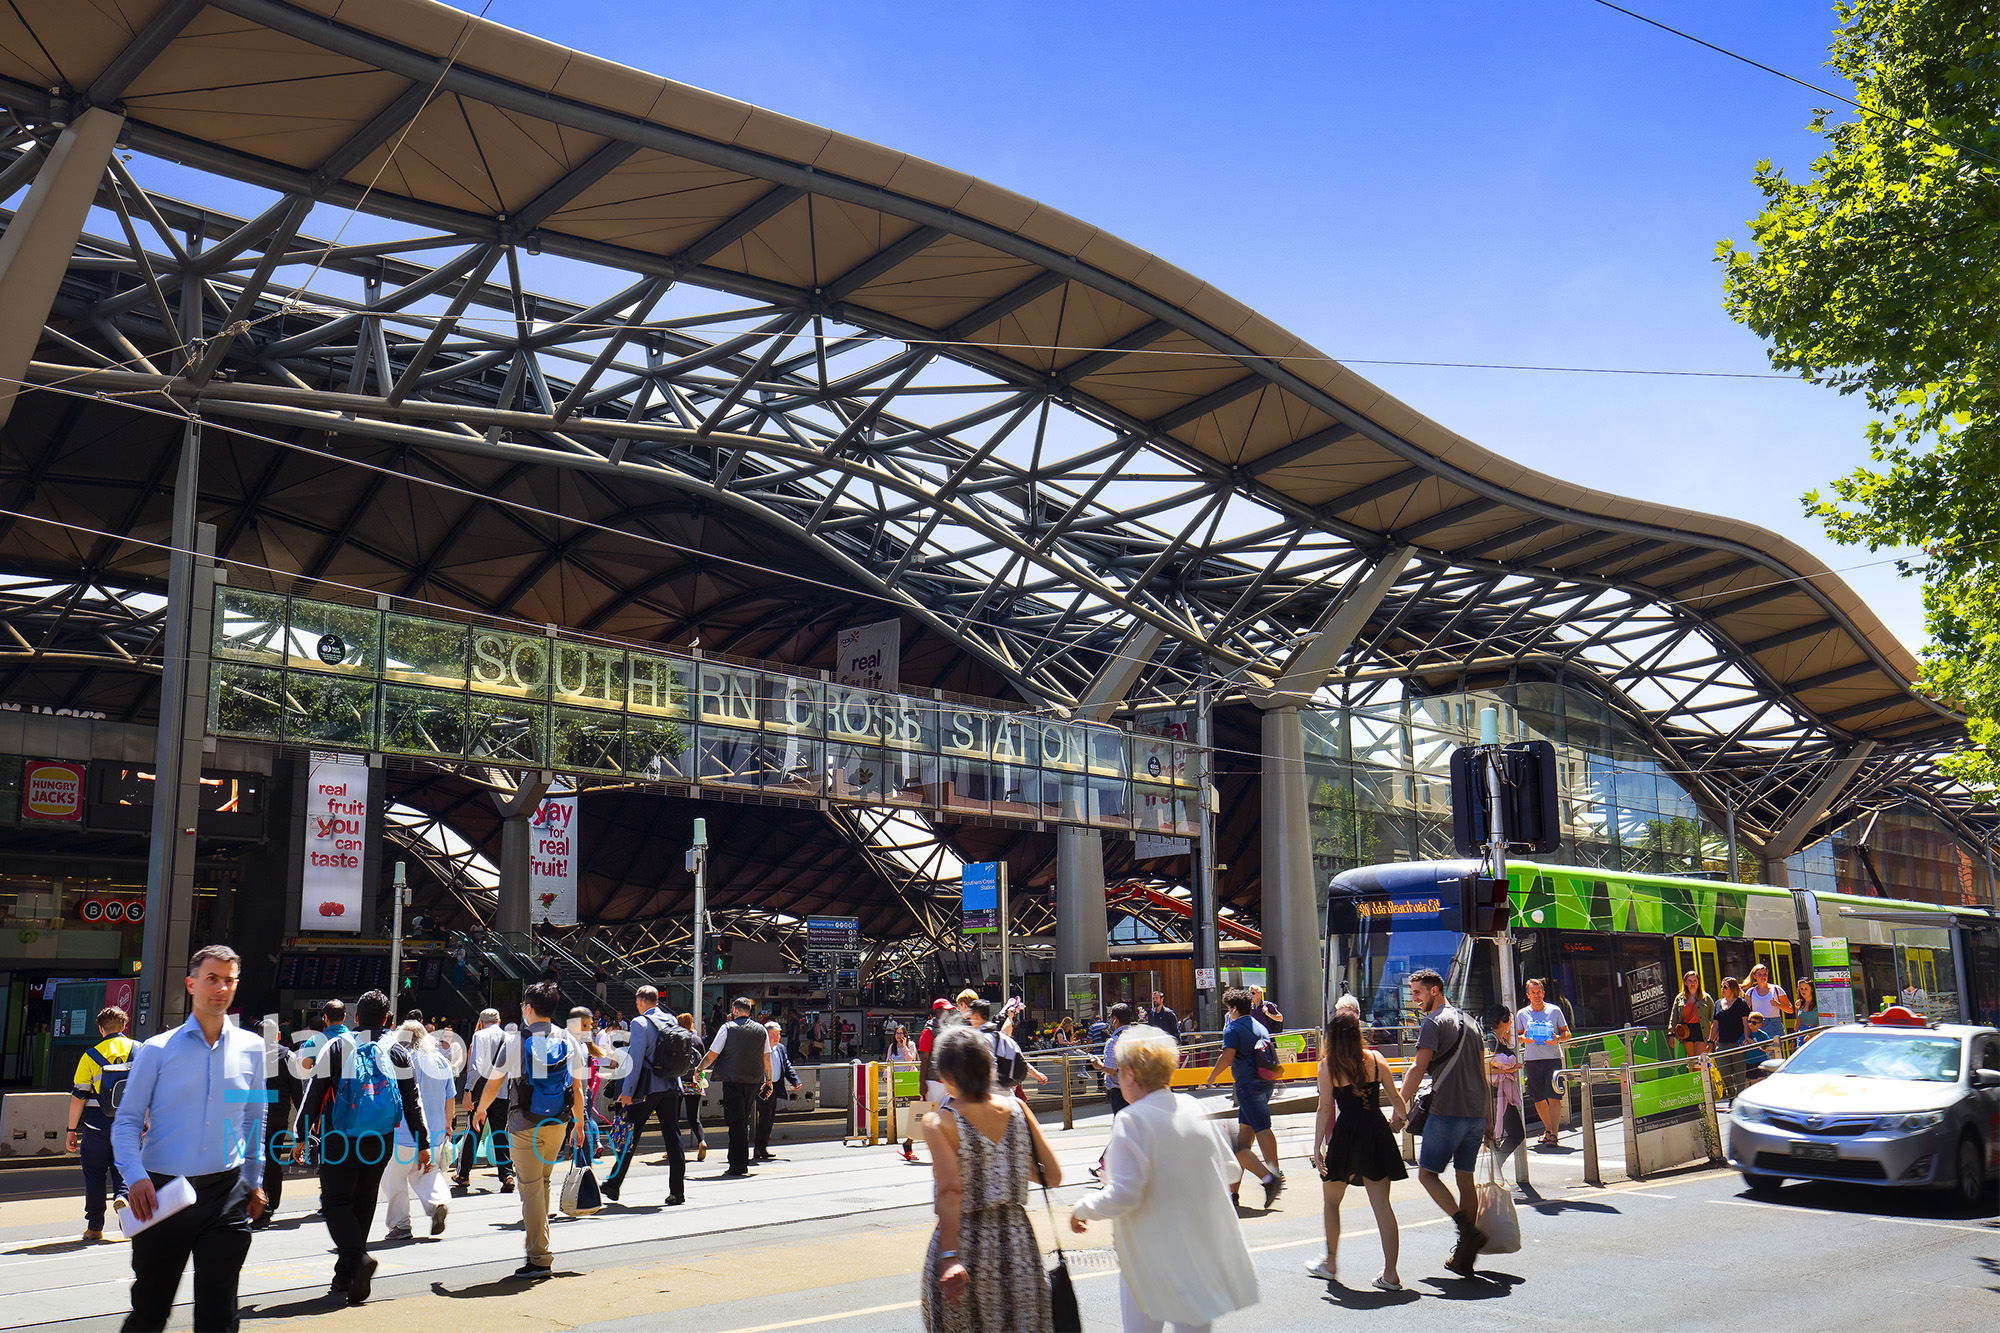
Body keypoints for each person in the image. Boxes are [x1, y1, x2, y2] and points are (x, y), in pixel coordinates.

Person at [112, 945, 268, 1333]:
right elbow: (127, 1121)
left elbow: (253, 1117)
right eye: (212, 978)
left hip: (227, 1193)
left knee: (219, 1315)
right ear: (191, 983)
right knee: (151, 1310)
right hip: (163, 1193)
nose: (221, 988)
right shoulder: (157, 1050)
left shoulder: (251, 1048)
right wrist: (136, 1177)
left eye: (229, 980)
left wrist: (254, 1180)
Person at [1071, 1024, 1258, 1332]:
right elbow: (1231, 1170)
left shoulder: (1131, 1119)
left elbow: (1123, 1195)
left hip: (1149, 1255)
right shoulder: (1192, 1106)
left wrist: (1082, 1208)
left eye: (1119, 1072)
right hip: (1199, 1251)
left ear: (1130, 1074)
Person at [921, 1026, 1061, 1332]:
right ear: (989, 1069)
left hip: (966, 1242)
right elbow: (1053, 1175)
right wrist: (1005, 1163)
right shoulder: (1019, 1110)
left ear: (946, 1077)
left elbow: (950, 1190)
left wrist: (949, 1256)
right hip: (1017, 1244)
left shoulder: (938, 1121)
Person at [297, 988, 429, 1305]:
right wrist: (422, 1141)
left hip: (339, 1137)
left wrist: (301, 1134)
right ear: (387, 1020)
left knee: (335, 1203)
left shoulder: (339, 1046)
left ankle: (358, 1261)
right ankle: (345, 1274)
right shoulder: (397, 1050)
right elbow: (412, 1101)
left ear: (356, 1018)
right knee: (364, 1200)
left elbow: (314, 1094)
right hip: (381, 1138)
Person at [471, 980, 585, 1279]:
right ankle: (541, 1241)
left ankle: (539, 1257)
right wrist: (580, 1124)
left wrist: (482, 1108)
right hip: (559, 1121)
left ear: (529, 1008)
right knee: (543, 1182)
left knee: (530, 1190)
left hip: (525, 1124)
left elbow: (495, 1081)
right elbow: (577, 1087)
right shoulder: (567, 1038)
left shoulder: (515, 1040)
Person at [1307, 1009, 1409, 1290]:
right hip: (1376, 1131)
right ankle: (1391, 1274)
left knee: (1331, 1201)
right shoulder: (1376, 1059)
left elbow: (1325, 1107)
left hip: (1346, 1134)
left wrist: (1317, 1146)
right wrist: (1399, 1119)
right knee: (1382, 1207)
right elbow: (1396, 1098)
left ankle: (1330, 1263)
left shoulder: (1328, 1066)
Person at [1397, 967, 1488, 1277]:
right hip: (1475, 1113)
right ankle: (1464, 1254)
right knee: (1465, 1178)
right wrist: (1487, 1117)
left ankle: (1467, 1231)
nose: (1415, 999)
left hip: (1447, 1111)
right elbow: (1482, 1072)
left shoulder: (1433, 1023)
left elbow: (1417, 1069)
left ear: (1434, 991)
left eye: (1418, 993)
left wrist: (1398, 1110)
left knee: (1427, 1175)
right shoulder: (1472, 1022)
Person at [1201, 988, 1282, 1209]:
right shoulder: (1260, 1026)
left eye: (1229, 1008)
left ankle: (1272, 1176)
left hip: (1248, 1085)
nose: (1229, 1012)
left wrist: (1212, 1076)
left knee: (1254, 1134)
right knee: (1243, 1142)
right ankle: (1233, 1195)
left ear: (1234, 1008)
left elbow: (1227, 1056)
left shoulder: (1233, 1028)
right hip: (1265, 1083)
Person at [606, 986, 687, 1205]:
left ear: (640, 1002)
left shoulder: (639, 1023)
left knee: (630, 1135)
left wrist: (627, 1092)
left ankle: (613, 1184)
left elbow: (636, 1059)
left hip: (648, 1088)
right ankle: (677, 1192)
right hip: (671, 1085)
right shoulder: (671, 1019)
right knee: (673, 1136)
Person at [66, 1005, 135, 1241]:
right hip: (129, 1124)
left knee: (94, 1174)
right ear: (124, 1026)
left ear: (100, 1028)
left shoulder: (90, 1056)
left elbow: (79, 1097)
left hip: (96, 1125)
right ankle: (124, 1201)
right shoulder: (140, 1050)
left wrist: (71, 1130)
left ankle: (95, 1227)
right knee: (125, 1167)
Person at [382, 1018, 455, 1239]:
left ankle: (400, 1225)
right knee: (427, 1171)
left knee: (393, 1177)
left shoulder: (398, 1061)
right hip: (434, 1133)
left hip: (401, 1134)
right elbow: (450, 1097)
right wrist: (448, 1124)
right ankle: (438, 1202)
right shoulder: (440, 1061)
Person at [696, 996, 773, 1177]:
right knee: (743, 1119)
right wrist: (768, 1081)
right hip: (753, 1081)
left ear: (735, 1010)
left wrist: (699, 1068)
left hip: (732, 1080)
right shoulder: (761, 1030)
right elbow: (766, 1058)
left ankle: (738, 1164)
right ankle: (741, 1161)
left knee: (736, 1122)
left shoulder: (727, 1028)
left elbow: (712, 1054)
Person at [455, 1008, 514, 1193]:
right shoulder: (510, 1038)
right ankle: (507, 1174)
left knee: (473, 1132)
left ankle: (463, 1175)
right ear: (499, 1020)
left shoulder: (479, 1036)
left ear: (481, 1022)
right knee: (500, 1133)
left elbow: (476, 1067)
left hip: (482, 1094)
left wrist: (467, 1089)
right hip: (503, 1093)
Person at [255, 1022, 300, 1230]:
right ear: (279, 1035)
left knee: (252, 1161)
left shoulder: (247, 1056)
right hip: (277, 1118)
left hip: (252, 1118)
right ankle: (269, 1206)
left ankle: (254, 1206)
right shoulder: (288, 1057)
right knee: (273, 1162)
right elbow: (298, 1094)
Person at [1516, 977, 1569, 1150]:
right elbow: (1517, 1038)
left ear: (1543, 993)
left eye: (1539, 992)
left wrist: (1558, 1039)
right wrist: (1524, 1039)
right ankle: (1548, 1130)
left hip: (1552, 1059)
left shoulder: (1555, 1011)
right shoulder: (1522, 1014)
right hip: (1532, 1061)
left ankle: (1554, 1134)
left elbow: (1567, 1033)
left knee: (1554, 1096)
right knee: (1538, 1098)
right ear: (1528, 995)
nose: (1536, 995)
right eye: (1533, 992)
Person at [755, 1021, 803, 1161]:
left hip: (774, 1086)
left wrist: (795, 1080)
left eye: (779, 1034)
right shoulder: (759, 1048)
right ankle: (759, 1147)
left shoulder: (781, 1048)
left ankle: (762, 1146)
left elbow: (786, 1065)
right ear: (766, 1035)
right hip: (761, 1086)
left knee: (769, 1116)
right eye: (773, 1035)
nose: (777, 1037)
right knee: (764, 1115)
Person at [1485, 1005, 1525, 1161]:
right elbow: (1484, 1067)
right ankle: (1496, 1168)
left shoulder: (1499, 1039)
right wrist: (1508, 1070)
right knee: (1516, 1134)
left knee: (1505, 1135)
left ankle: (1495, 1172)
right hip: (1496, 1093)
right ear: (1505, 1020)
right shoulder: (1491, 1040)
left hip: (1502, 1093)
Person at [679, 1011, 710, 1163]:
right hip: (694, 1082)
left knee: (673, 1117)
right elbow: (703, 1061)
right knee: (694, 1117)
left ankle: (674, 1149)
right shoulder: (698, 1040)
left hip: (678, 1083)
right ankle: (701, 1141)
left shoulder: (677, 1039)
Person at [1714, 977, 1751, 1095]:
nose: (1722, 989)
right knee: (1723, 1070)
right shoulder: (1718, 1004)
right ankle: (1732, 1091)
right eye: (1721, 986)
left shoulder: (1741, 1003)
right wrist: (1710, 1041)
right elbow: (1715, 1024)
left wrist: (1746, 1039)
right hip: (1722, 1043)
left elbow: (1746, 1023)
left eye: (1725, 987)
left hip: (1737, 1043)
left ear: (1733, 988)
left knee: (1740, 1072)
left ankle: (1739, 1097)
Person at [1671, 970, 1716, 1062]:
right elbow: (1673, 1018)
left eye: (1695, 981)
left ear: (1698, 982)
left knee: (1701, 1061)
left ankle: (1704, 1076)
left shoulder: (1706, 998)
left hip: (1702, 1031)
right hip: (1686, 1031)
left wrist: (1715, 1036)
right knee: (1692, 1062)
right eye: (1690, 981)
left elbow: (1715, 1018)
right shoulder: (1679, 998)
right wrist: (1671, 1035)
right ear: (1685, 983)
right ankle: (1698, 1077)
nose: (1693, 983)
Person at [920, 998, 952, 1103]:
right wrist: (922, 1083)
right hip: (933, 1082)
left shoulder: (949, 1029)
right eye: (947, 1010)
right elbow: (924, 1060)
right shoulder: (928, 1031)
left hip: (947, 1081)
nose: (950, 1013)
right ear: (938, 1011)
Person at [1746, 964, 1792, 1029]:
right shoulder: (1750, 992)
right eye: (1759, 974)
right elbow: (1745, 1012)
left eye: (1765, 974)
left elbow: (1790, 1010)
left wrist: (1778, 1004)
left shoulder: (1776, 989)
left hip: (1774, 1024)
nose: (1763, 977)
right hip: (1757, 1024)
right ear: (1754, 976)